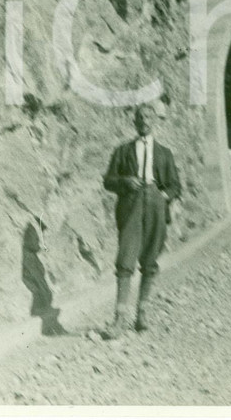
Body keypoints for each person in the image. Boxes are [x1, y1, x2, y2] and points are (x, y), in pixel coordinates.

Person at [101, 100, 181, 339]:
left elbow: (176, 185)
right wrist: (125, 181)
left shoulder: (164, 153)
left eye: (148, 118)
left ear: (154, 122)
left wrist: (162, 196)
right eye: (140, 118)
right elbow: (108, 180)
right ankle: (119, 319)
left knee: (150, 260)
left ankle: (142, 314)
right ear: (134, 122)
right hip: (131, 206)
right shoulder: (123, 151)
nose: (144, 122)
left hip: (155, 207)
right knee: (125, 259)